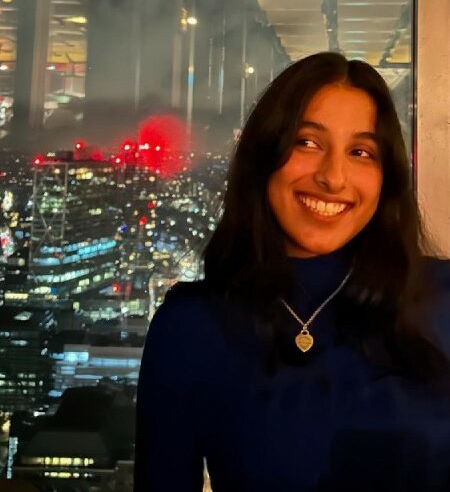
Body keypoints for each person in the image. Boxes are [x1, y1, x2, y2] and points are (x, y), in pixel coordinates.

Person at [134, 52, 450, 491]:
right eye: (307, 142)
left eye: (361, 152)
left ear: (386, 177)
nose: (333, 177)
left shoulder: (442, 297)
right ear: (264, 156)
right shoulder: (191, 326)